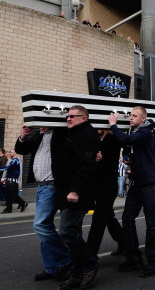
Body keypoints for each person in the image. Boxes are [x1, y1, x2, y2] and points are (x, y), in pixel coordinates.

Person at [109, 106, 155, 278]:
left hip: (148, 184)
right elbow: (129, 149)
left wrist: (113, 125)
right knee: (127, 218)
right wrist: (128, 158)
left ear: (143, 117)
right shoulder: (136, 132)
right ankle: (134, 258)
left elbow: (126, 140)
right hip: (137, 183)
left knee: (151, 224)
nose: (131, 118)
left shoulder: (145, 131)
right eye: (130, 115)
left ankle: (154, 263)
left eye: (134, 116)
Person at [15, 126, 72, 281]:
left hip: (52, 186)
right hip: (40, 187)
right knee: (44, 228)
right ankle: (52, 268)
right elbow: (20, 149)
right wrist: (23, 136)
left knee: (40, 225)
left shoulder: (61, 134)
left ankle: (66, 260)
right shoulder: (38, 136)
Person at [57, 105, 100, 290]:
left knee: (67, 231)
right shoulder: (75, 133)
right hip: (68, 192)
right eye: (67, 116)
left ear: (83, 118)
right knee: (73, 232)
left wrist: (75, 190)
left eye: (72, 116)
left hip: (78, 194)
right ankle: (75, 276)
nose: (68, 119)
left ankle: (91, 263)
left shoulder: (86, 135)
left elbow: (86, 166)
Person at [87, 129, 126, 257]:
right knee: (109, 218)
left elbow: (106, 160)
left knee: (98, 220)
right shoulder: (96, 138)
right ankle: (125, 244)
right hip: (97, 185)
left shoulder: (113, 139)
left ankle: (90, 256)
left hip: (107, 186)